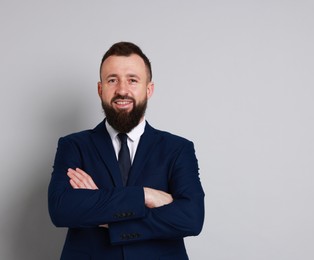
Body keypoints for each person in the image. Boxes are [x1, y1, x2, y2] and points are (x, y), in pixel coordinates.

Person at [48, 42, 205, 260]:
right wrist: (144, 195)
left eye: (132, 80)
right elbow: (62, 209)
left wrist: (101, 210)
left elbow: (191, 218)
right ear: (100, 89)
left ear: (148, 89)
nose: (122, 90)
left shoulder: (178, 149)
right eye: (112, 80)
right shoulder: (74, 146)